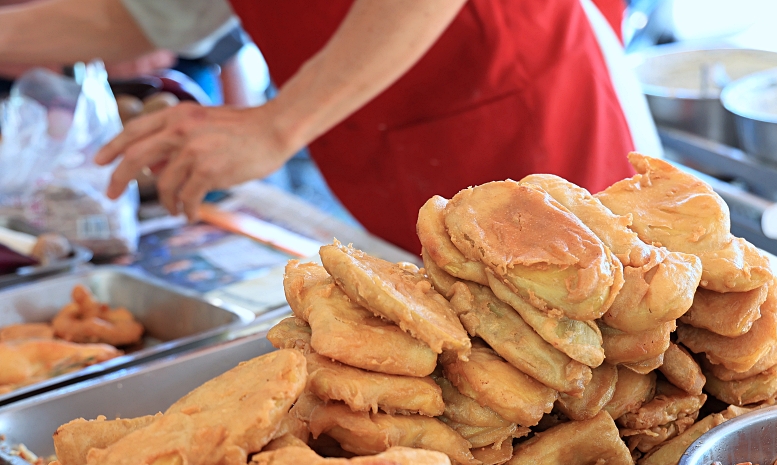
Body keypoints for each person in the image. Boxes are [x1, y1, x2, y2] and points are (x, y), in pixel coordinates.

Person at [0, 0, 647, 255]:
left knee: (607, 325)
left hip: (529, 100)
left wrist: (278, 123)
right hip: (376, 132)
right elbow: (161, 13)